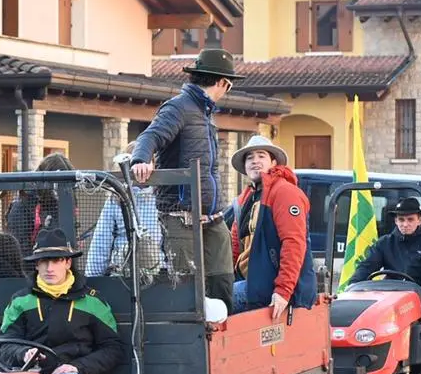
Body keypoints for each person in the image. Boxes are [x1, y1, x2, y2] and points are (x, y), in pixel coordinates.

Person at [129, 48, 241, 312]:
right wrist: (141, 160)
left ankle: (221, 340)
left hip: (212, 217)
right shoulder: (178, 108)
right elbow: (150, 136)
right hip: (181, 217)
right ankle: (192, 345)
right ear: (223, 83)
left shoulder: (204, 113)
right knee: (187, 287)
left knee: (222, 280)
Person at [0, 228, 125, 374]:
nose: (50, 268)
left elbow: (112, 348)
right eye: (44, 261)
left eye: (56, 260)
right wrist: (24, 353)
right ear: (36, 265)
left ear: (67, 262)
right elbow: (4, 346)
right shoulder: (20, 301)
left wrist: (77, 367)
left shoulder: (93, 301)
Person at [229, 135, 316, 319]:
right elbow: (236, 246)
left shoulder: (284, 192)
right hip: (250, 282)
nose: (255, 161)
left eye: (261, 156)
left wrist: (283, 291)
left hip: (270, 286)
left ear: (273, 162)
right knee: (209, 296)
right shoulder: (245, 199)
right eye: (250, 157)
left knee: (216, 302)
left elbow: (293, 243)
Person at [85, 141, 165, 277]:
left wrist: (168, 275)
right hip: (122, 274)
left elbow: (168, 242)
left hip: (157, 274)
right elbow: (101, 242)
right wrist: (93, 279)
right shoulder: (115, 200)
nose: (140, 168)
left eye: (146, 162)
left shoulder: (162, 199)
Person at [347, 197, 421, 285]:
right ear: (396, 221)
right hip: (391, 291)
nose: (405, 224)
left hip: (420, 293)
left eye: (410, 219)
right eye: (401, 219)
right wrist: (354, 284)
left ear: (419, 220)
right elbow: (367, 266)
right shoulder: (384, 243)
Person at [7, 153, 72, 258]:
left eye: (67, 184)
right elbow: (20, 252)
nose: (61, 190)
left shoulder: (64, 205)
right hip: (32, 268)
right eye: (57, 185)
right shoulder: (22, 207)